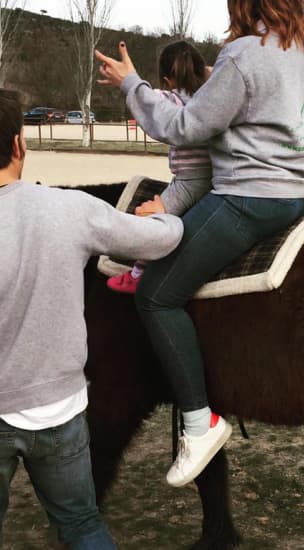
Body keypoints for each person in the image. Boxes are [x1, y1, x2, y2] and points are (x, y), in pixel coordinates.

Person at [95, 0, 304, 488]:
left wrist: (132, 85)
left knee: (156, 294)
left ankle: (201, 423)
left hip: (251, 198)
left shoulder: (242, 55)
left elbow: (184, 127)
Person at [0, 90, 184, 548]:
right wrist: (166, 217)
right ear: (20, 145)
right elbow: (157, 243)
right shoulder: (67, 209)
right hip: (58, 410)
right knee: (82, 526)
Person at [107, 40, 212, 294]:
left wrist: (127, 80)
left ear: (167, 80)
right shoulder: (212, 95)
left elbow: (147, 100)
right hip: (217, 173)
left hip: (190, 181)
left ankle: (139, 273)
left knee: (154, 221)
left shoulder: (169, 99)